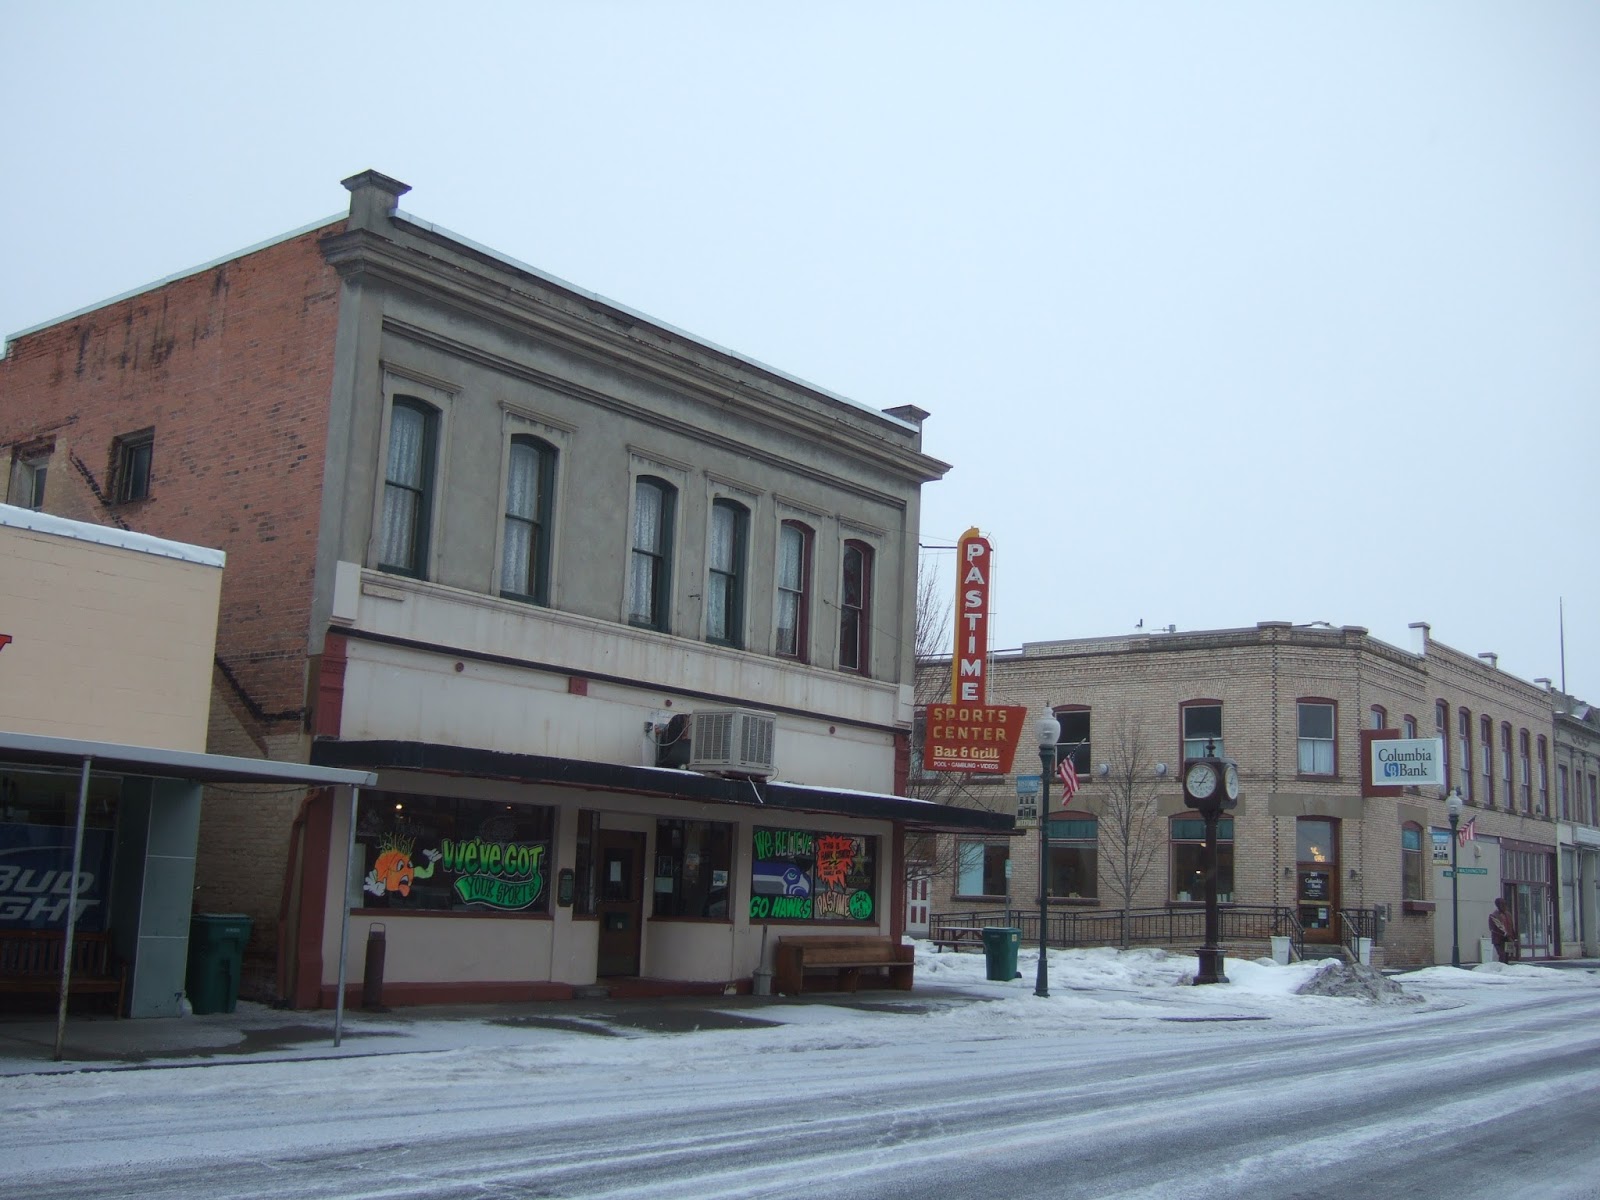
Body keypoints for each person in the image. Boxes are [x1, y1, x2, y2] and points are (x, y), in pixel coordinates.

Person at [1489, 896, 1518, 963]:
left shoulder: (1508, 914)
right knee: (1502, 955)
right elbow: (1493, 929)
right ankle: (1501, 970)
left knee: (1507, 957)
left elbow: (1511, 926)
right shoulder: (1493, 915)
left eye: (1505, 904)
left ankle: (1506, 970)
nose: (1504, 906)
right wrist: (1505, 934)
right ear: (1498, 905)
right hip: (1499, 940)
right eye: (1502, 904)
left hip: (1509, 939)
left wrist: (1514, 938)